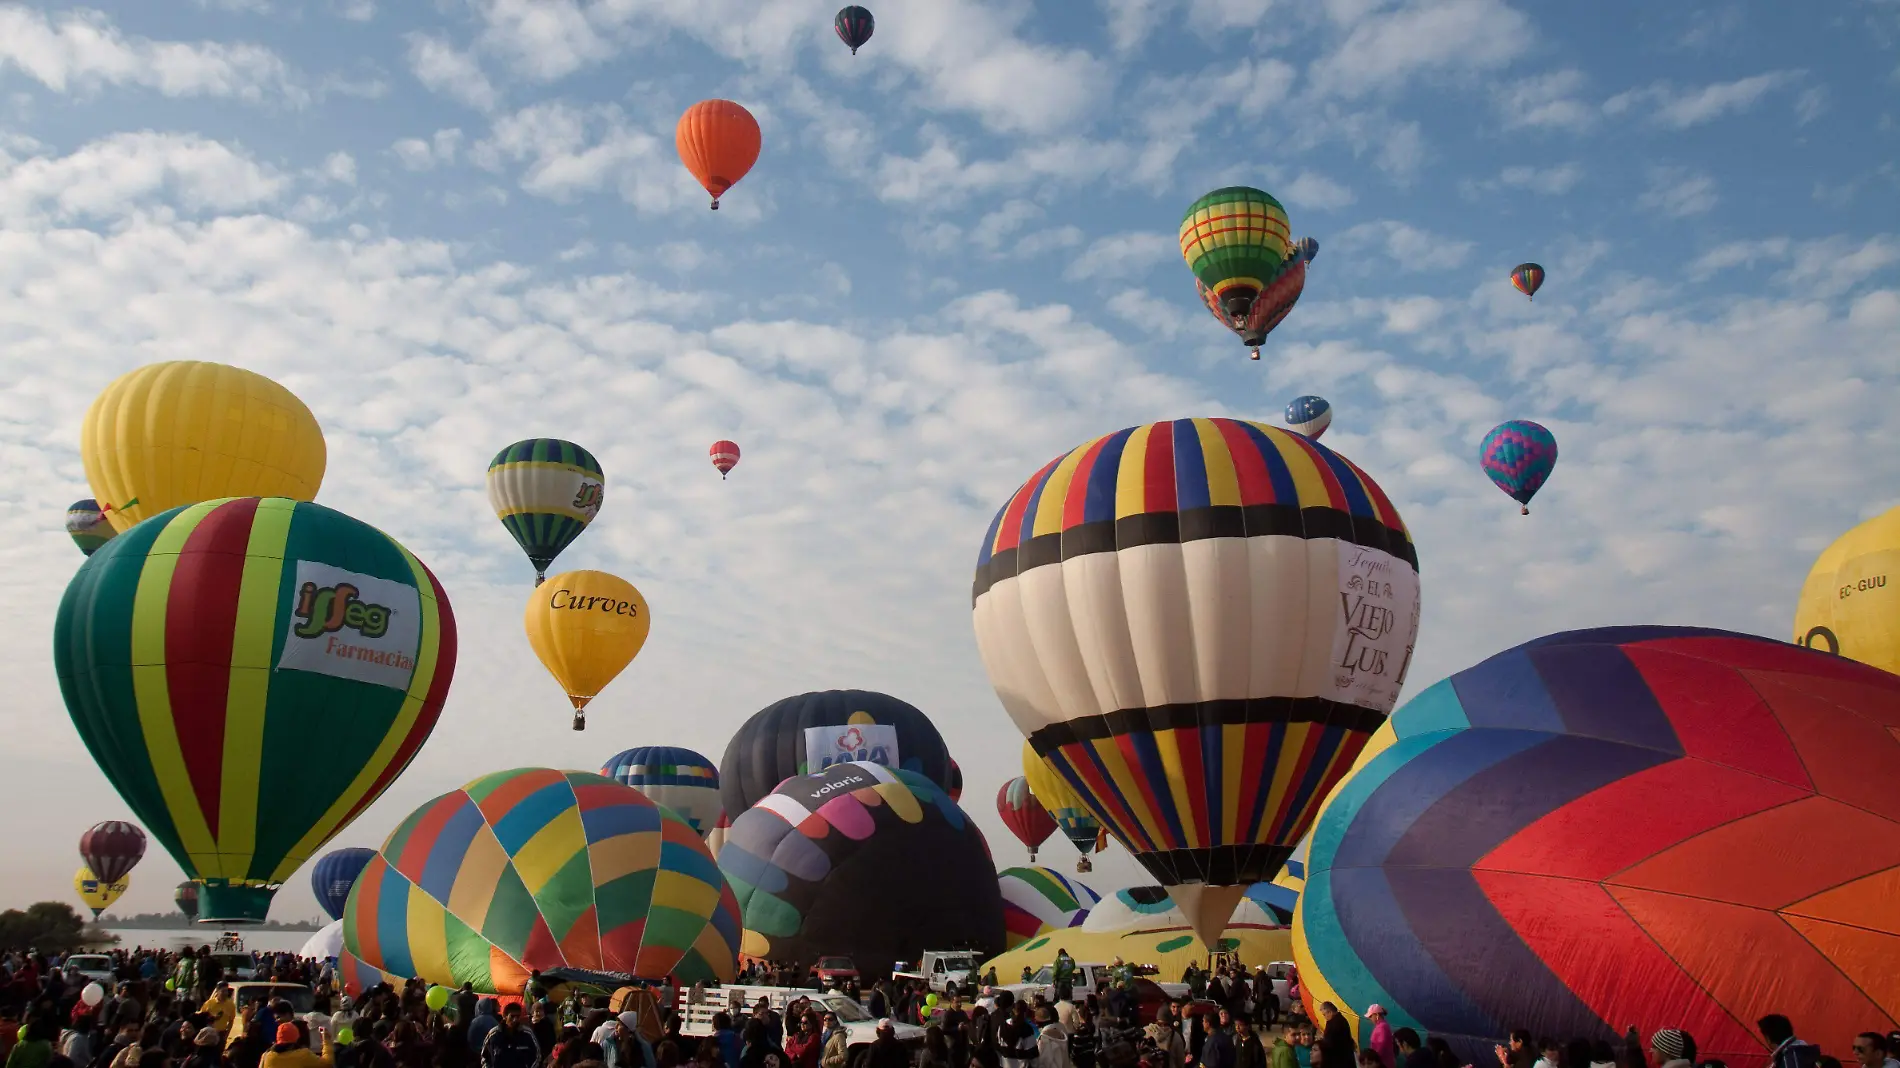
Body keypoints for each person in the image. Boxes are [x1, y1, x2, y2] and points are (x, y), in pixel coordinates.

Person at [261, 1023, 332, 1068]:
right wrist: (326, 1040)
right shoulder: (302, 1055)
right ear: (297, 1038)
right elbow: (327, 1063)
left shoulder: (266, 1055)